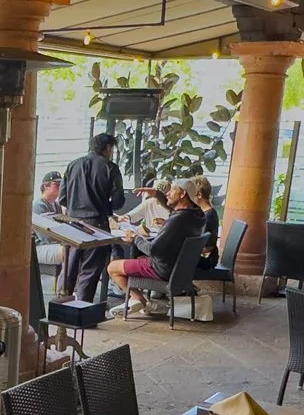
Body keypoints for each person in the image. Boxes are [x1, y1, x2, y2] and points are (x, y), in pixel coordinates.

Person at [106, 180, 204, 318]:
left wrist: (135, 237)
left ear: (182, 194)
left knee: (112, 267)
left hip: (162, 268)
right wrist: (157, 194)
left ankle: (142, 301)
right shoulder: (197, 215)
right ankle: (139, 300)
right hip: (180, 269)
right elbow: (172, 208)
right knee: (138, 258)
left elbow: (152, 250)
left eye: (171, 190)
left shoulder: (177, 220)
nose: (168, 194)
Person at [60, 133, 125, 301]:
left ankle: (60, 307)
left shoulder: (72, 165)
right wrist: (106, 206)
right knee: (90, 271)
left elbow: (62, 198)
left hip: (72, 225)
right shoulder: (111, 168)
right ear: (108, 148)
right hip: (97, 226)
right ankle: (81, 310)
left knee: (68, 268)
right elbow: (118, 202)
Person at [33, 171, 65, 273]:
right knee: (69, 251)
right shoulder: (38, 205)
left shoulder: (57, 206)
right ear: (46, 186)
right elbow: (45, 236)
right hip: (39, 247)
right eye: (57, 185)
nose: (61, 187)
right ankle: (64, 285)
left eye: (61, 184)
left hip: (53, 243)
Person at [187, 175, 221, 270]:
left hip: (207, 260)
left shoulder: (208, 216)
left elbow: (207, 247)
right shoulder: (204, 213)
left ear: (199, 195)